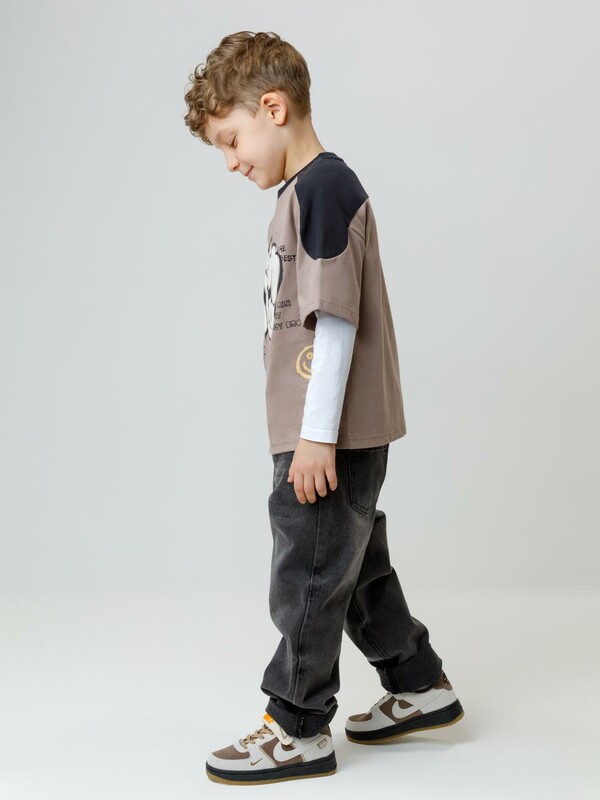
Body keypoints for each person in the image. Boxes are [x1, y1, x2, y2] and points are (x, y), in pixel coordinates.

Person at [183, 30, 464, 787]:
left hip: (326, 435)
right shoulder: (304, 192)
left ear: (273, 108)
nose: (231, 161)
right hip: (322, 429)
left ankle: (298, 726)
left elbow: (334, 321)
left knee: (307, 572)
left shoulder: (323, 188)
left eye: (231, 139)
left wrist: (315, 438)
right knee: (351, 563)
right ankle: (420, 685)